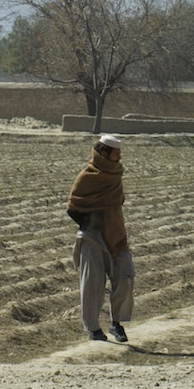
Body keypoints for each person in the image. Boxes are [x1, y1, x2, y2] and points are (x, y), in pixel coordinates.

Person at [66, 133, 135, 342]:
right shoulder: (87, 177)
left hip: (116, 235)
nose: (119, 158)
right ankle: (93, 329)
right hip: (92, 236)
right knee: (92, 284)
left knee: (125, 277)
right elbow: (74, 207)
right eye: (116, 153)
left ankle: (117, 323)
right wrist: (92, 224)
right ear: (104, 153)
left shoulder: (116, 175)